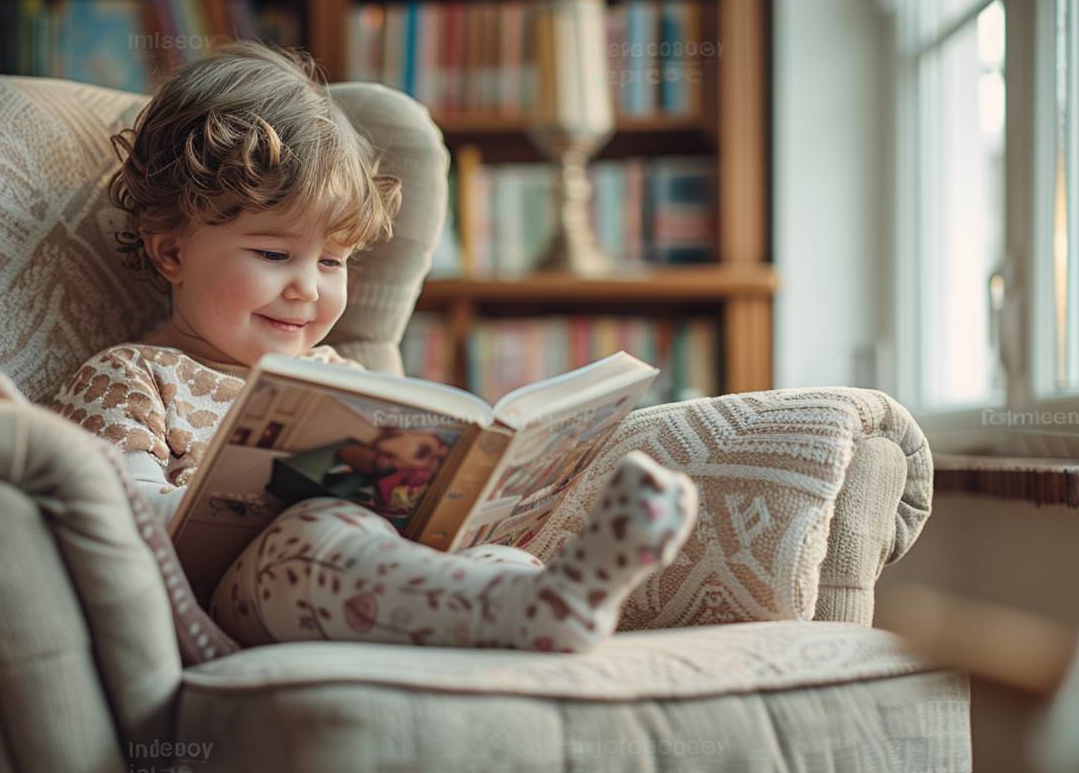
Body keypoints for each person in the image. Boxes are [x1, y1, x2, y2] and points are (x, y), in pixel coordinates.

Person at [48, 41, 699, 654]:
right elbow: (125, 536)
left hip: (374, 585)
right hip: (228, 612)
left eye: (332, 261)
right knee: (316, 531)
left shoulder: (339, 377)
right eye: (275, 254)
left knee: (481, 555)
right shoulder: (131, 379)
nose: (307, 288)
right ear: (172, 250)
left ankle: (538, 600)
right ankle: (520, 610)